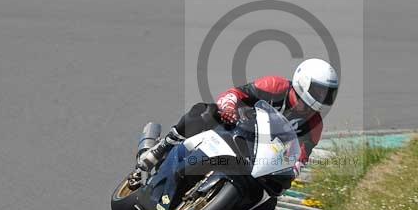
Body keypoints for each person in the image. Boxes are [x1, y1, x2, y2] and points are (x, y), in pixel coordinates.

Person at [130, 59, 339, 198]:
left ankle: (212, 202)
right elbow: (236, 93)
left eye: (327, 93)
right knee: (204, 112)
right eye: (319, 91)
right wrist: (229, 107)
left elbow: (300, 157)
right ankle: (162, 148)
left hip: (260, 157)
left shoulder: (314, 124)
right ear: (303, 82)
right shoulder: (276, 86)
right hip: (237, 126)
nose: (322, 97)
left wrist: (290, 172)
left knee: (268, 201)